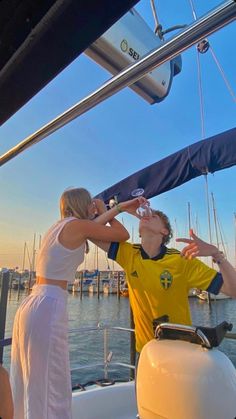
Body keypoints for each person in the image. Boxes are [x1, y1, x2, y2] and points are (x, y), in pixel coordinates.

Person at [10, 187, 147, 419]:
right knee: (52, 386)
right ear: (82, 203)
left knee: (27, 384)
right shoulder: (77, 226)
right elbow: (123, 235)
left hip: (32, 304)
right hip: (48, 306)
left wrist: (105, 213)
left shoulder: (58, 227)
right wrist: (110, 210)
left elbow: (98, 227)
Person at [96, 209, 236, 355]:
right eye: (145, 216)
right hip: (146, 354)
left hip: (179, 353)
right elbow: (89, 231)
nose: (146, 216)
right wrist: (113, 209)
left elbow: (233, 290)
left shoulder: (181, 260)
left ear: (164, 231)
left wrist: (216, 254)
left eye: (154, 216)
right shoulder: (129, 254)